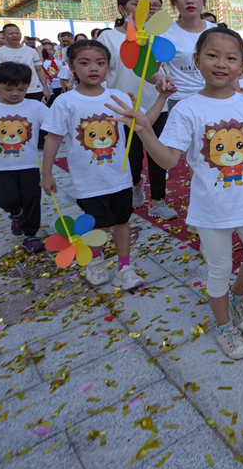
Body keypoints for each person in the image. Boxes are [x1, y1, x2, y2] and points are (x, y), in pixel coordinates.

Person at [108, 27, 243, 359]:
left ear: (242, 64)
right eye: (212, 56)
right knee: (219, 268)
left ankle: (235, 297)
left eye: (231, 58)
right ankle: (224, 328)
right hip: (210, 209)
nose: (221, 64)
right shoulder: (187, 109)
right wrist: (145, 131)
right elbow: (169, 160)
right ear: (197, 60)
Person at [41, 40, 163, 290]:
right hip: (88, 181)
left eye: (100, 63)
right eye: (84, 63)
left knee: (122, 220)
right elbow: (53, 137)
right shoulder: (66, 102)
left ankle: (124, 267)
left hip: (119, 177)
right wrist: (47, 172)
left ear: (108, 66)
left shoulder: (118, 97)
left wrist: (163, 97)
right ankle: (95, 262)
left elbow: (144, 124)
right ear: (72, 67)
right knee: (97, 224)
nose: (93, 68)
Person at [98, 0, 176, 220]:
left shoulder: (154, 35)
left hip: (155, 105)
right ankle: (134, 185)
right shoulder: (108, 38)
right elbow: (102, 72)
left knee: (157, 154)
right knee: (131, 155)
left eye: (146, 5)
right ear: (122, 9)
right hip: (123, 109)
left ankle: (157, 200)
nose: (145, 9)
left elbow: (151, 70)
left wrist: (161, 79)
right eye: (136, 4)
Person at [0, 62, 49, 253]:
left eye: (21, 89)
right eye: (9, 89)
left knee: (32, 199)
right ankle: (16, 214)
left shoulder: (35, 107)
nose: (15, 93)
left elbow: (54, 125)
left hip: (29, 163)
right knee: (6, 199)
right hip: (1, 165)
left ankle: (30, 235)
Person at [162, 0, 215, 110]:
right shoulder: (165, 34)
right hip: (181, 102)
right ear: (173, 0)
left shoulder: (216, 32)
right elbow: (151, 72)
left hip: (214, 98)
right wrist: (159, 79)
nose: (189, 1)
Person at [0, 24, 50, 103]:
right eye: (11, 34)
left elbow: (39, 69)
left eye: (17, 33)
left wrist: (45, 88)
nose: (15, 36)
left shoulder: (31, 51)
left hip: (34, 90)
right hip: (13, 92)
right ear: (4, 35)